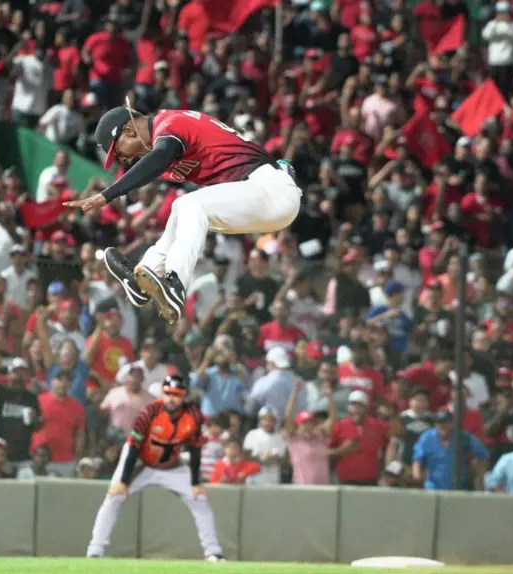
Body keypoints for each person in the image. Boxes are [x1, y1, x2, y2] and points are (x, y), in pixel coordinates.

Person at [66, 104, 302, 324]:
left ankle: (175, 282)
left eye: (117, 151)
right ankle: (142, 276)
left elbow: (158, 158)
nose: (123, 158)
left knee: (191, 204)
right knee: (181, 208)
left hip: (270, 188)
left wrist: (108, 194)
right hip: (259, 196)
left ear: (128, 129)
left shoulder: (170, 122)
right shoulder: (166, 142)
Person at [85, 374, 226, 562]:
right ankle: (95, 551)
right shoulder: (149, 412)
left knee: (199, 498)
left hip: (171, 464)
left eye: (176, 394)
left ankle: (213, 552)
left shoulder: (193, 415)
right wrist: (124, 481)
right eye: (168, 394)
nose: (171, 399)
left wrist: (195, 481)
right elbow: (134, 447)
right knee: (114, 497)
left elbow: (195, 449)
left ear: (184, 395)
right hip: (141, 461)